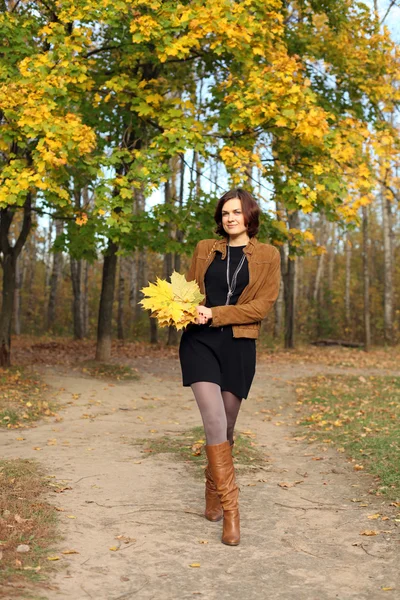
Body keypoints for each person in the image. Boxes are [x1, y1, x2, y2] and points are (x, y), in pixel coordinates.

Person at [179, 188, 281, 546]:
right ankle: (232, 512)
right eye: (225, 213)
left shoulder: (268, 255)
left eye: (236, 212)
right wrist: (180, 308)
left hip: (238, 343)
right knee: (214, 420)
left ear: (249, 216)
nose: (230, 218)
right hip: (200, 341)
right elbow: (190, 291)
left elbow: (260, 307)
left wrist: (216, 313)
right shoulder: (206, 248)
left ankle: (212, 490)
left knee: (228, 423)